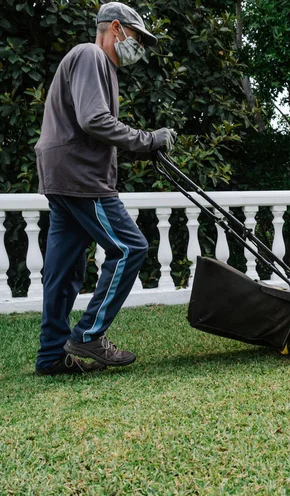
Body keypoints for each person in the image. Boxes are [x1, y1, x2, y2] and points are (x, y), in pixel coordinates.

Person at [34, 2, 177, 376]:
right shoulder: (91, 55)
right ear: (115, 28)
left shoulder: (97, 67)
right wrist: (148, 140)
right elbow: (94, 120)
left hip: (62, 174)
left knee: (63, 269)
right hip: (80, 177)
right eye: (137, 36)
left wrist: (139, 147)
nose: (140, 46)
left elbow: (91, 123)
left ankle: (51, 355)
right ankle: (89, 334)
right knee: (131, 246)